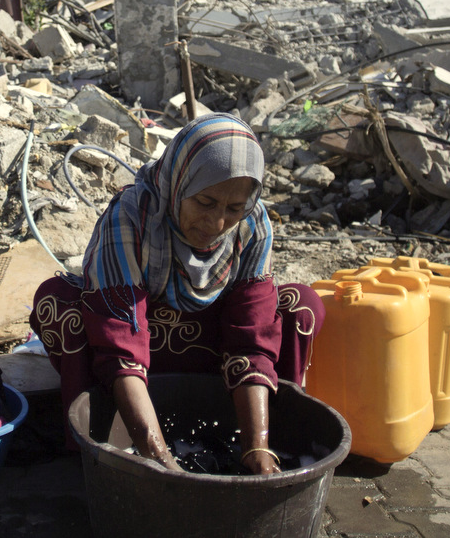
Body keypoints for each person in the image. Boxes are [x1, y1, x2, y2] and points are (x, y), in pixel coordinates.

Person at [29, 113, 324, 474]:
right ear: (179, 183)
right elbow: (120, 338)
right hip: (141, 352)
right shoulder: (131, 216)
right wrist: (158, 456)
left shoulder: (253, 224)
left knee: (302, 305)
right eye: (204, 202)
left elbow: (251, 335)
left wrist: (255, 448)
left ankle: (272, 441)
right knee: (57, 301)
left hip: (213, 353)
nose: (217, 224)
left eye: (233, 208)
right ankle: (97, 449)